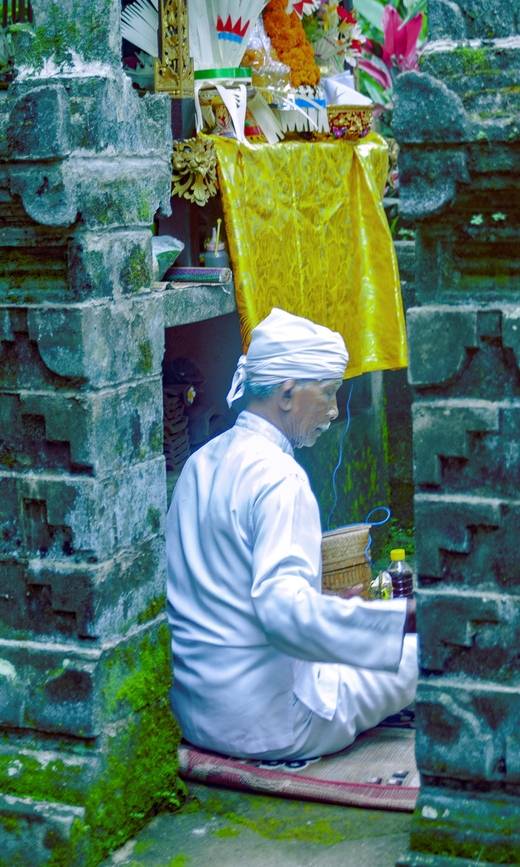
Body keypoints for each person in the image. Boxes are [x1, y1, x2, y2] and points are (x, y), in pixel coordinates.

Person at [166, 307, 418, 760]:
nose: (335, 410)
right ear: (287, 394)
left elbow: (233, 599)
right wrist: (403, 620)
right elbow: (283, 615)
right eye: (328, 393)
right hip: (271, 723)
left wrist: (323, 610)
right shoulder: (281, 479)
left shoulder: (200, 462)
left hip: (196, 712)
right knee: (430, 654)